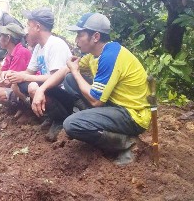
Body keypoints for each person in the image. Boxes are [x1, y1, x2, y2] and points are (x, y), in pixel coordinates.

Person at [31, 12, 151, 165]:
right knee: (69, 79)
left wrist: (75, 71)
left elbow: (96, 101)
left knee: (71, 124)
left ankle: (127, 143)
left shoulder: (110, 57)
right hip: (115, 105)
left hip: (132, 115)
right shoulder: (95, 54)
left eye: (80, 35)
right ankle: (90, 121)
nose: (76, 40)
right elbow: (66, 70)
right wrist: (42, 89)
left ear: (95, 37)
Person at [7, 7, 73, 141]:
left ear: (37, 27)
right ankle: (49, 116)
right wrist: (13, 75)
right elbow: (28, 73)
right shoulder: (38, 48)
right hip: (48, 89)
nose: (26, 31)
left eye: (28, 25)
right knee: (23, 83)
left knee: (32, 85)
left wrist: (26, 77)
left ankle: (60, 119)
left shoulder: (56, 45)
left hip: (65, 95)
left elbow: (57, 78)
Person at [0, 23, 31, 106]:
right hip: (14, 85)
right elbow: (0, 74)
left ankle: (24, 108)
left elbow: (9, 82)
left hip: (22, 88)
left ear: (8, 38)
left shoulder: (21, 53)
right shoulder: (10, 53)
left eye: (1, 36)